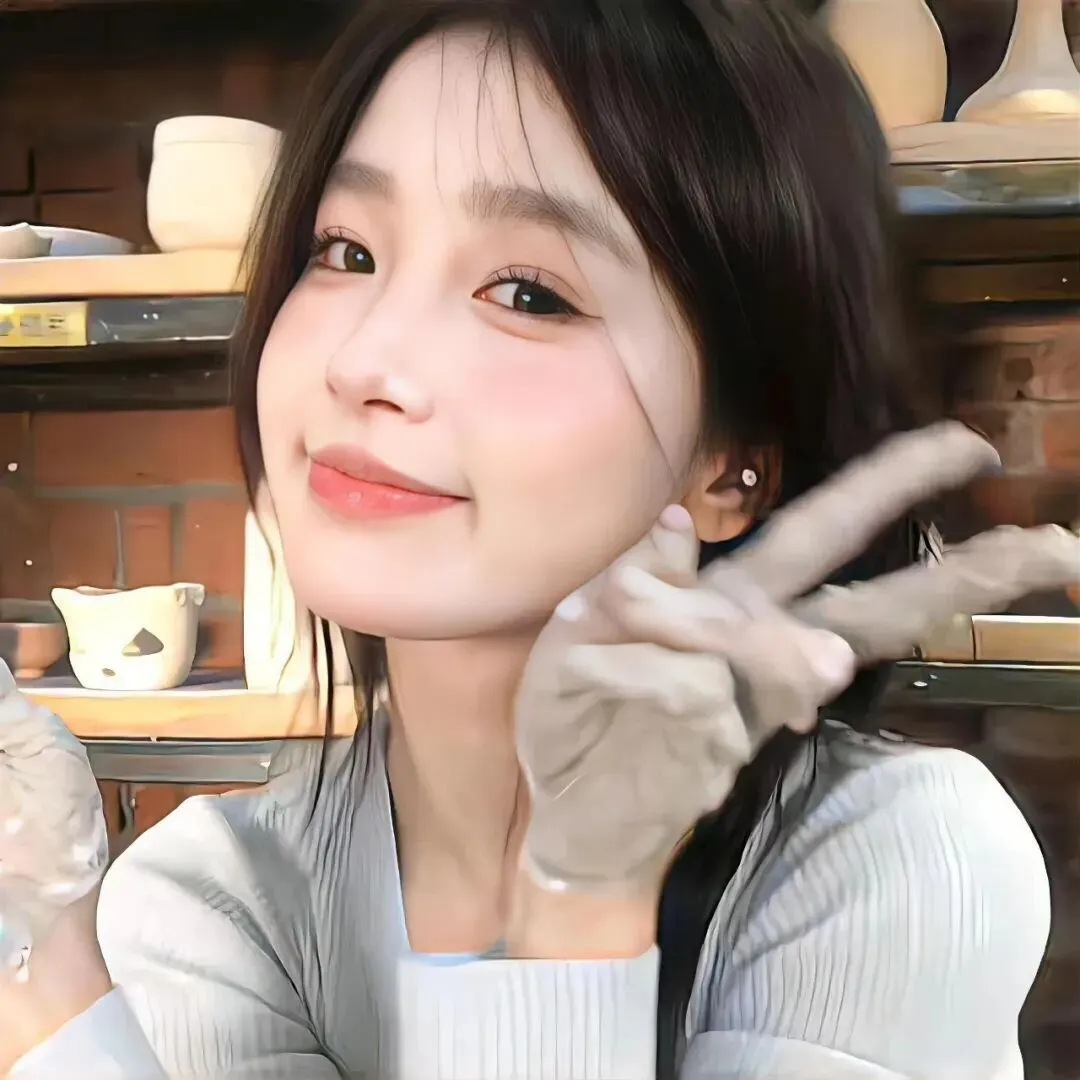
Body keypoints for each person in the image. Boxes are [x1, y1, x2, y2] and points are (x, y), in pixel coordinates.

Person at [2, 1, 1078, 1078]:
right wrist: (43, 975)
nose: (363, 362)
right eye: (346, 250)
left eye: (526, 293)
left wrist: (579, 900)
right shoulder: (207, 899)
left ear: (731, 465)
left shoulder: (893, 858)